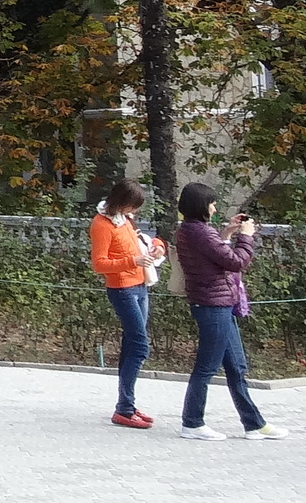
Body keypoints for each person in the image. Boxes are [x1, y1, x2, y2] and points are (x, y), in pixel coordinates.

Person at [173, 182, 287, 441]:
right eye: (211, 203)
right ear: (201, 206)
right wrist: (246, 236)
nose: (214, 208)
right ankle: (192, 422)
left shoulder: (195, 230)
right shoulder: (199, 232)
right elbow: (236, 262)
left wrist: (226, 232)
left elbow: (214, 255)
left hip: (219, 304)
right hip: (212, 306)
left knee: (236, 367)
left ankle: (254, 424)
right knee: (206, 366)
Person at [89, 179, 165, 429]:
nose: (135, 211)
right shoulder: (102, 224)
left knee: (131, 346)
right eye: (132, 205)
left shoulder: (125, 220)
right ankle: (123, 408)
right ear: (120, 202)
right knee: (140, 346)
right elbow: (99, 264)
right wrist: (132, 261)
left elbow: (144, 241)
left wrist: (156, 249)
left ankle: (126, 404)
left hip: (140, 284)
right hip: (122, 288)